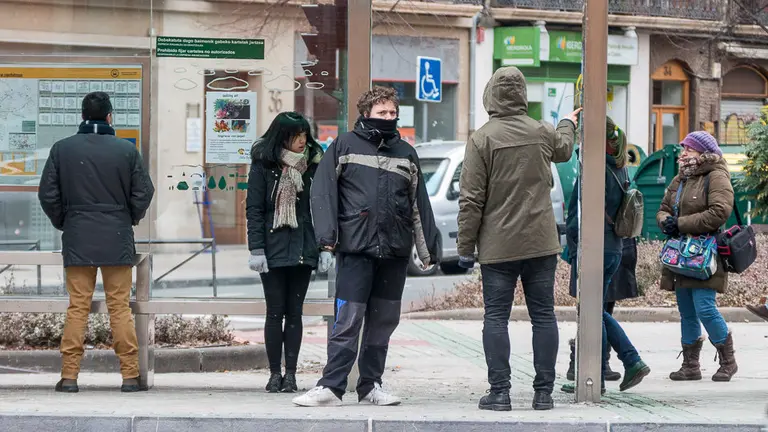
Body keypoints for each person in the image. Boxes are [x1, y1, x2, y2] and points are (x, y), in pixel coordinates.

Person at [292, 86, 440, 407]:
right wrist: (328, 237)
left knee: (383, 322)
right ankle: (331, 386)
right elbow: (324, 192)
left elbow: (419, 204)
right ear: (366, 113)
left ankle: (371, 386)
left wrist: (427, 249)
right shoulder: (345, 145)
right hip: (356, 249)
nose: (388, 117)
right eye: (381, 112)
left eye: (391, 112)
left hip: (394, 252)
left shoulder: (406, 152)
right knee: (347, 320)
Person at [455, 66, 580, 412]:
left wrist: (465, 247)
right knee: (544, 315)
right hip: (541, 242)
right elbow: (565, 148)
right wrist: (568, 122)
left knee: (496, 317)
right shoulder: (541, 131)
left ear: (491, 95)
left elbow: (471, 199)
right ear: (522, 94)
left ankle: (500, 392)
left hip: (498, 247)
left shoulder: (482, 139)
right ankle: (544, 393)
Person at [37, 91, 154, 393]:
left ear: (82, 116)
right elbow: (144, 192)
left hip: (78, 236)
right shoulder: (125, 151)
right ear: (110, 117)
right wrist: (128, 217)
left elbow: (48, 195)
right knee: (120, 307)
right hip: (116, 236)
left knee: (78, 306)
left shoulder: (62, 149)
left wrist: (65, 221)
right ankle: (129, 377)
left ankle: (69, 377)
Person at [561, 118, 650, 395]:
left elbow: (577, 217)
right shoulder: (620, 167)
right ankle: (597, 375)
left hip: (593, 248)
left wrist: (572, 246)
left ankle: (631, 359)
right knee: (594, 311)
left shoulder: (594, 170)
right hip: (614, 248)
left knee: (592, 311)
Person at [246, 111, 327, 393]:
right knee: (274, 312)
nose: (302, 141)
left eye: (305, 135)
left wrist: (325, 245)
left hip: (304, 248)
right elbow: (254, 210)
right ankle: (273, 374)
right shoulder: (263, 165)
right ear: (282, 137)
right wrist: (256, 248)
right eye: (296, 136)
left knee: (295, 313)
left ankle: (290, 375)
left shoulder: (315, 165)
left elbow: (321, 207)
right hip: (272, 248)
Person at [657, 131, 737, 382]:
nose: (684, 153)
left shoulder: (716, 175)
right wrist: (665, 222)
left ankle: (728, 361)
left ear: (703, 153)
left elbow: (720, 211)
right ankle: (690, 365)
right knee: (687, 310)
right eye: (683, 149)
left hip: (705, 255)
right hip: (681, 256)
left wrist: (680, 224)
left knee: (705, 307)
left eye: (689, 149)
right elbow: (663, 209)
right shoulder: (681, 178)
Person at [566, 237, 641, 383]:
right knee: (598, 310)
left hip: (594, 248)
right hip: (618, 247)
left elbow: (575, 223)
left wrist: (574, 252)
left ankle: (593, 371)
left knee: (593, 310)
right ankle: (623, 362)